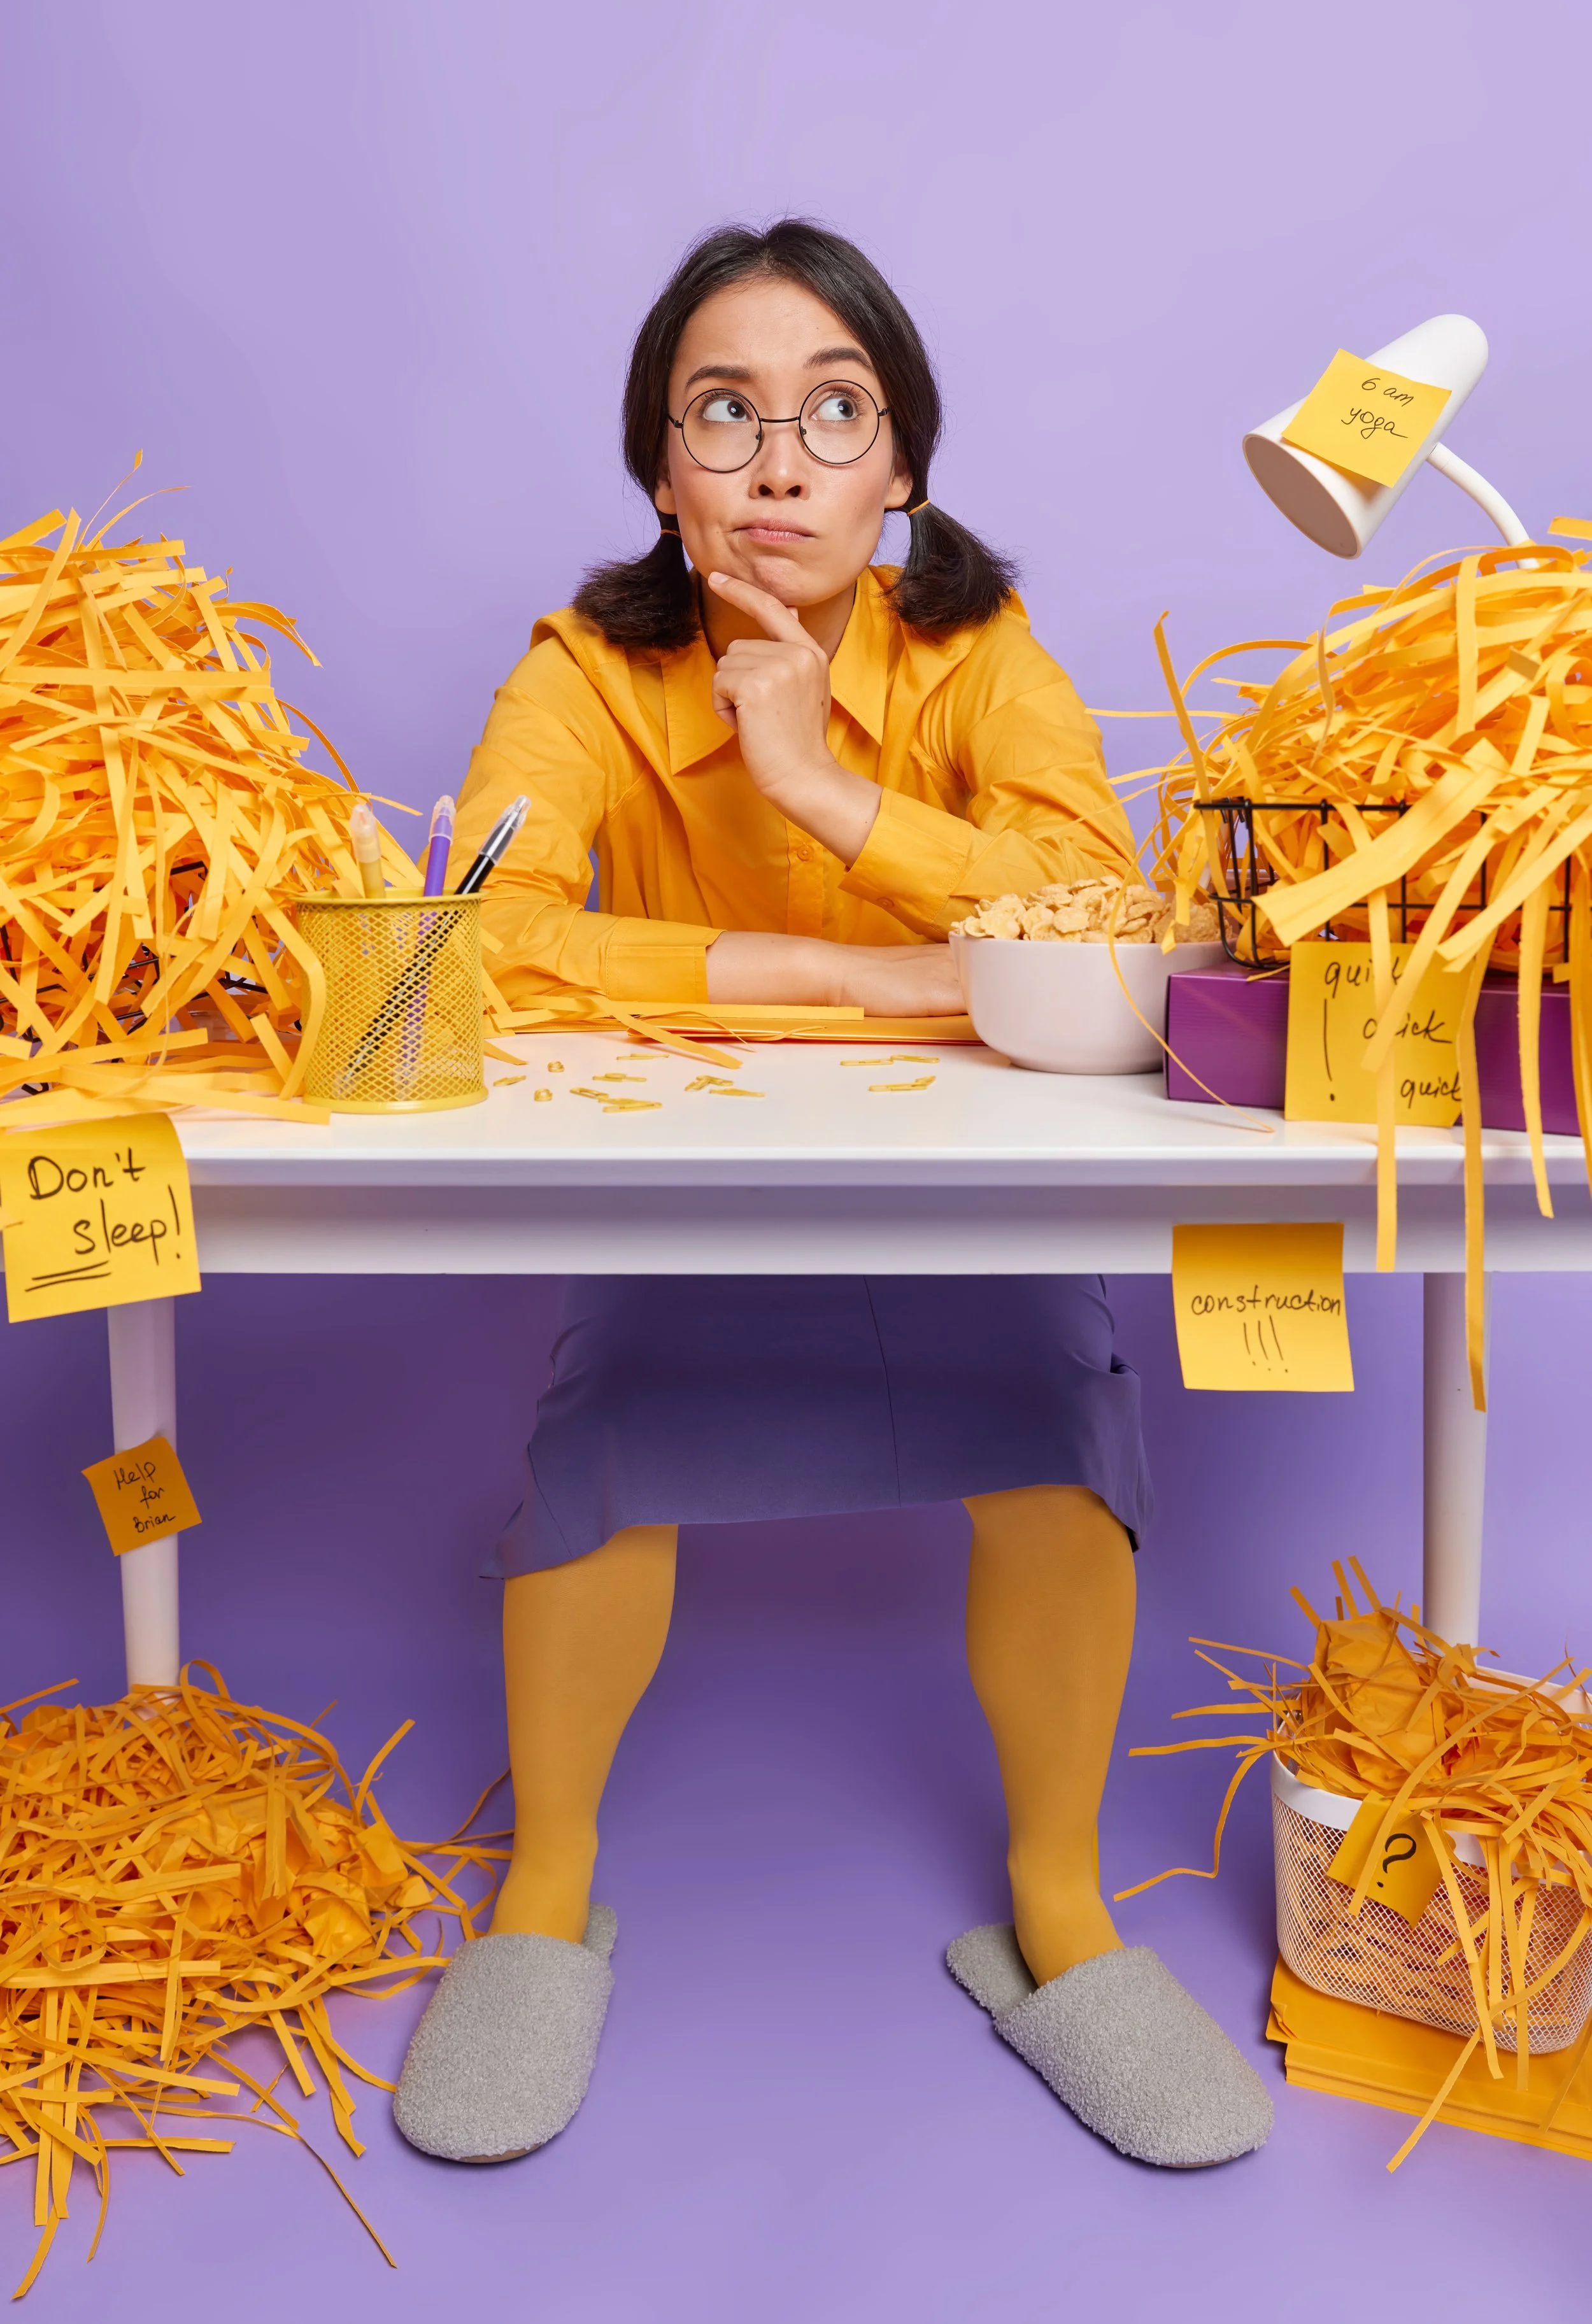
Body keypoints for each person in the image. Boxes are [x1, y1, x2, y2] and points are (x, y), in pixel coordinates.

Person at [393, 222, 1270, 2171]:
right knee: (603, 1443)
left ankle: (1061, 1907)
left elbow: (1106, 910)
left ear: (902, 475)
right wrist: (839, 973)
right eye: (725, 413)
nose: (779, 461)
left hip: (972, 1208)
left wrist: (824, 796)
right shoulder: (589, 670)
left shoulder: (980, 655)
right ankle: (546, 1888)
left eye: (834, 413)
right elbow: (474, 942)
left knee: (1060, 1436)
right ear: (660, 471)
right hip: (688, 1201)